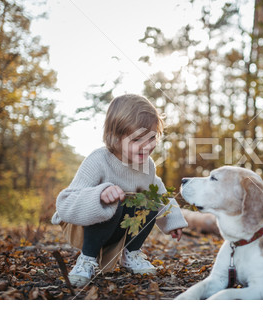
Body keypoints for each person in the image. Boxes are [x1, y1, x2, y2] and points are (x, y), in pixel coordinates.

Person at [51, 94, 188, 287]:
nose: (147, 146)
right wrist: (99, 195)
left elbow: (159, 193)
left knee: (148, 199)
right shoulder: (98, 160)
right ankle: (87, 259)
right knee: (114, 199)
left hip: (119, 230)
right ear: (115, 138)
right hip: (83, 226)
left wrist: (173, 220)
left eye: (151, 137)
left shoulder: (146, 166)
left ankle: (131, 254)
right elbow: (66, 202)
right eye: (137, 139)